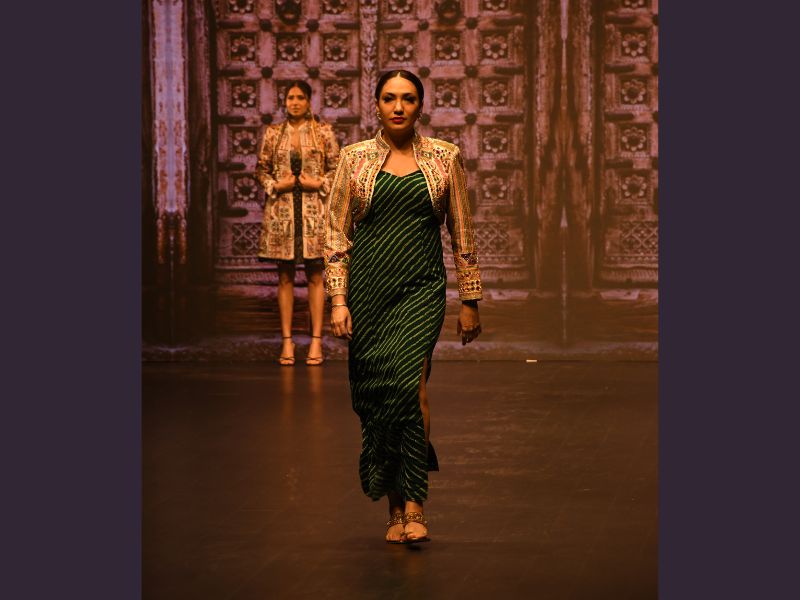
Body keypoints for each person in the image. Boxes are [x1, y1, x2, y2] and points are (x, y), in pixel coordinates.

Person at [324, 70, 483, 544]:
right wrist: (338, 299)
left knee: (411, 389)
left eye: (408, 99)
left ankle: (415, 503)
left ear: (420, 106)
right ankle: (393, 508)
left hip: (420, 288)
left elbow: (462, 229)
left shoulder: (444, 156)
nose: (398, 107)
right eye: (389, 98)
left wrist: (470, 299)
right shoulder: (354, 158)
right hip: (368, 291)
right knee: (378, 397)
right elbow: (336, 233)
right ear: (376, 104)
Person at [256, 81, 340, 366]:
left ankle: (316, 341)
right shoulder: (273, 133)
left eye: (300, 97)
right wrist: (275, 185)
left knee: (316, 276)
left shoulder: (323, 131)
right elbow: (261, 168)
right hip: (282, 211)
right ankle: (287, 341)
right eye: (290, 97)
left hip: (314, 211)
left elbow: (337, 168)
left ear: (309, 101)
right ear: (285, 101)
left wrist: (319, 183)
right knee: (285, 277)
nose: (294, 102)